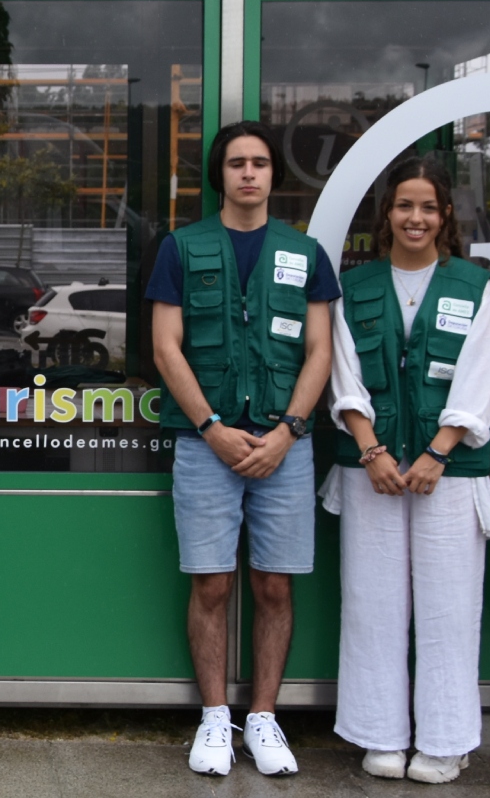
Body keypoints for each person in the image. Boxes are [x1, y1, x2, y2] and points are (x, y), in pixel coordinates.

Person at [148, 119, 339, 777]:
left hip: (285, 445)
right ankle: (213, 718)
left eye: (259, 162)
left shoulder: (305, 253)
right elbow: (165, 347)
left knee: (274, 585)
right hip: (207, 443)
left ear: (273, 174)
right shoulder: (182, 247)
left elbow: (321, 351)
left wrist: (288, 431)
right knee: (211, 583)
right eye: (237, 163)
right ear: (220, 174)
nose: (249, 173)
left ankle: (262, 718)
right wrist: (211, 427)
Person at [324, 157, 490, 784]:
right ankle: (379, 733)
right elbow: (342, 372)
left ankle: (445, 740)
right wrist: (372, 450)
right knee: (371, 603)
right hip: (370, 468)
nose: (416, 218)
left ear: (445, 214)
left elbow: (484, 376)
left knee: (449, 607)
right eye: (405, 205)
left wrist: (439, 451)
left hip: (448, 474)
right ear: (388, 214)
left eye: (428, 206)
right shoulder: (356, 286)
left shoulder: (474, 287)